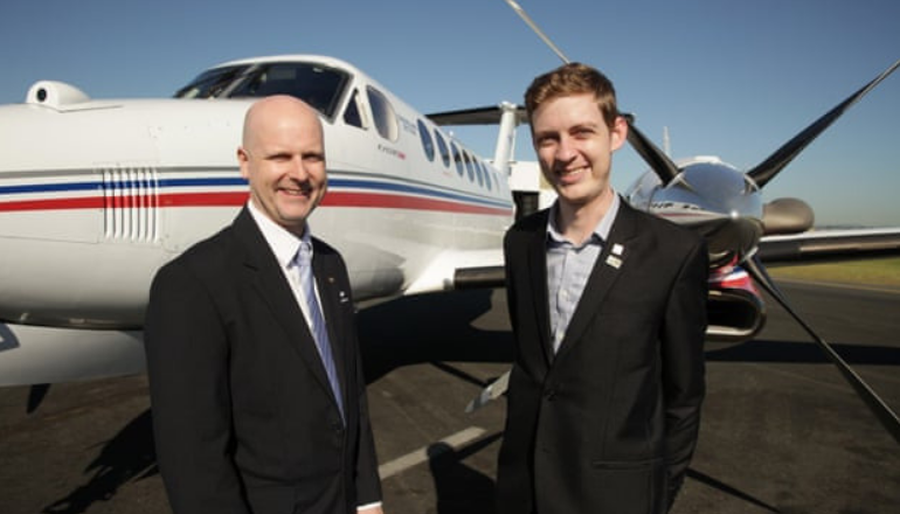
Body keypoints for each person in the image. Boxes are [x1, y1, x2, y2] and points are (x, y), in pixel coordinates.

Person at [144, 95, 383, 514]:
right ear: (244, 162)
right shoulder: (191, 284)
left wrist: (367, 500)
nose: (300, 174)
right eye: (279, 156)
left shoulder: (331, 266)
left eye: (313, 156)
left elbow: (350, 397)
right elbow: (194, 461)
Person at [495, 63, 708, 514]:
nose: (565, 153)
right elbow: (534, 368)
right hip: (523, 492)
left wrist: (654, 496)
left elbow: (683, 397)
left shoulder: (674, 253)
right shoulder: (520, 242)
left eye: (582, 133)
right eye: (548, 138)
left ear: (617, 133)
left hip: (618, 498)